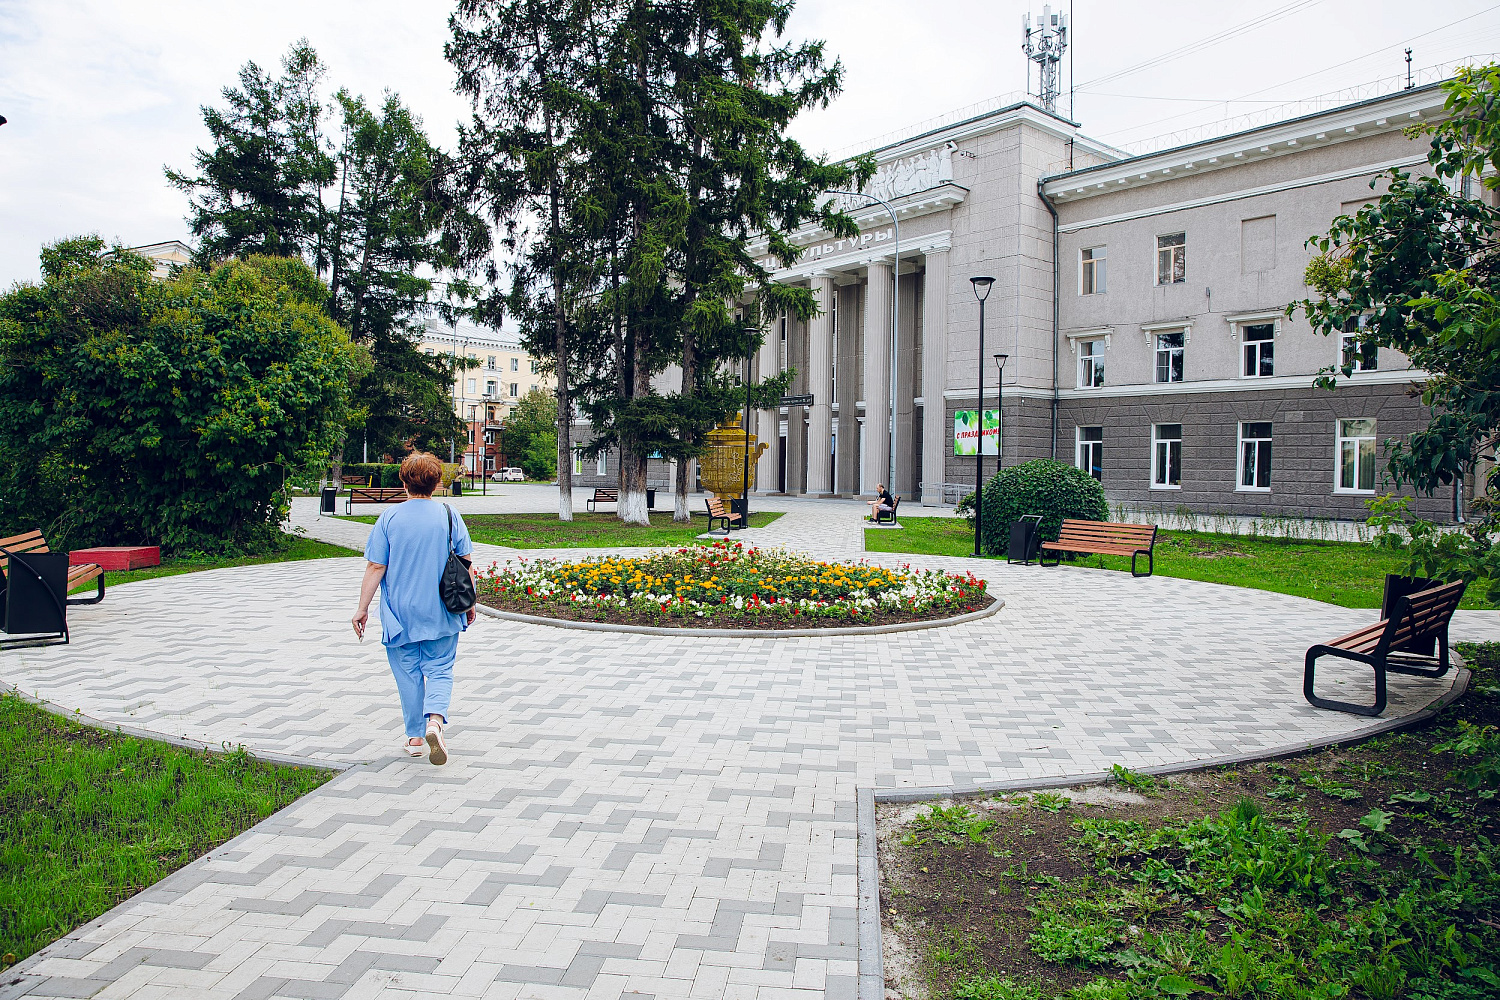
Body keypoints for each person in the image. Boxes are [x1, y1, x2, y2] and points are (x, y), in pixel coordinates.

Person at [351, 452, 475, 765]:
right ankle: (435, 720)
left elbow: (376, 567)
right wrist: (470, 603)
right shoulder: (449, 515)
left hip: (400, 613)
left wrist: (362, 609)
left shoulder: (389, 519)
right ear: (436, 483)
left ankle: (416, 738)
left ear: (404, 482)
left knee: (407, 674)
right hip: (443, 609)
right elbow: (466, 562)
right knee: (440, 668)